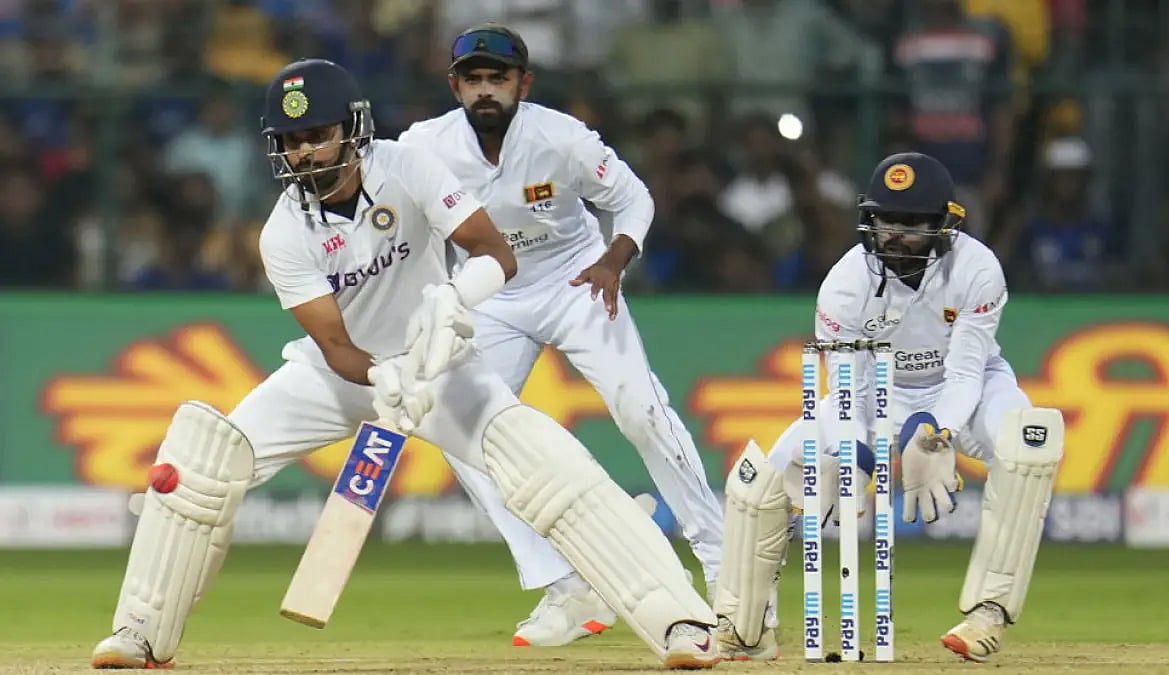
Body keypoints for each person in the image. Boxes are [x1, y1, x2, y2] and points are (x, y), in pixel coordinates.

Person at [89, 58, 721, 670]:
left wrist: (453, 300)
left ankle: (680, 621)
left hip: (441, 363)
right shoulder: (282, 233)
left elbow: (495, 254)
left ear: (352, 129)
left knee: (547, 463)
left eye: (317, 135)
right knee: (203, 463)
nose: (305, 153)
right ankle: (139, 631)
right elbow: (334, 345)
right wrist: (381, 375)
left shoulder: (409, 166)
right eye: (291, 141)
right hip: (338, 378)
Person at [398, 24, 725, 648]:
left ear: (523, 84)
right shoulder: (423, 146)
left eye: (499, 79)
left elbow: (634, 200)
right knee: (463, 437)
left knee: (641, 412)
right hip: (490, 293)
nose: (486, 90)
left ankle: (721, 568)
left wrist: (614, 260)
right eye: (474, 79)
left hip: (576, 281)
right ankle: (568, 584)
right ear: (455, 86)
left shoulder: (562, 137)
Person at [711, 152, 1064, 662]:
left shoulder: (977, 268)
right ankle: (745, 627)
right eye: (885, 220)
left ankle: (989, 613)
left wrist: (933, 432)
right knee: (762, 482)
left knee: (1029, 447)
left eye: (912, 224)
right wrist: (854, 454)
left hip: (968, 387)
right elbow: (847, 390)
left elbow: (965, 373)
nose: (894, 235)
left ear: (944, 225)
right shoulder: (844, 284)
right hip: (875, 392)